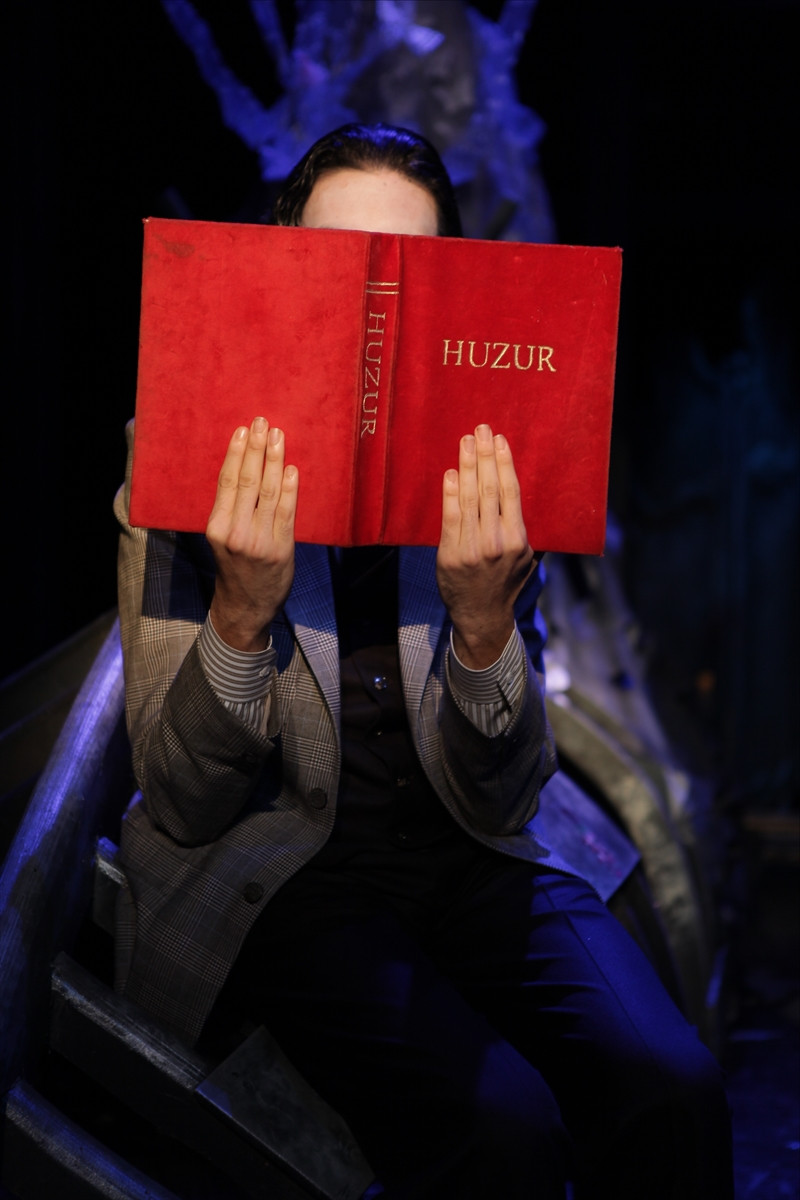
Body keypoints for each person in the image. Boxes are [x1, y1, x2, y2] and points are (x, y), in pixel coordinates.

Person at [114, 122, 733, 1198]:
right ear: (281, 265)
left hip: (465, 848)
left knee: (671, 1084)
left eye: (400, 273)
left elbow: (504, 793)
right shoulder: (185, 440)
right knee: (503, 1128)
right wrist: (241, 613)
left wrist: (486, 624)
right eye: (334, 263)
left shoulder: (491, 444)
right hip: (281, 874)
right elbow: (182, 795)